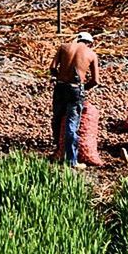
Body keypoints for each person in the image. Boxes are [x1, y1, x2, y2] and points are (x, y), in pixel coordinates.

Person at [49, 31, 100, 169]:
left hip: (60, 87)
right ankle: (71, 160)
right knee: (72, 124)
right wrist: (84, 88)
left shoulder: (64, 47)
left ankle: (58, 151)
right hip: (75, 89)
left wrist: (59, 77)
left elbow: (52, 68)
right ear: (90, 43)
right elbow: (95, 80)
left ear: (78, 39)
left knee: (57, 119)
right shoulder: (91, 54)